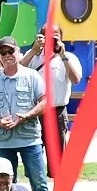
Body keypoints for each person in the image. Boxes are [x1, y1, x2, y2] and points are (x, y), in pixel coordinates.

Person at [0, 36, 50, 191]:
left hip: (29, 139)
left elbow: (45, 101)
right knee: (4, 185)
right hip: (4, 141)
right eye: (2, 52)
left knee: (39, 182)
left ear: (18, 52)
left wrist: (28, 115)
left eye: (10, 51)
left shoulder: (32, 76)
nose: (7, 55)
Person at [21, 30, 81, 163]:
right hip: (33, 113)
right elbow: (16, 71)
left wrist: (63, 55)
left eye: (55, 36)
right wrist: (33, 50)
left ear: (61, 38)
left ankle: (59, 182)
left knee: (58, 158)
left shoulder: (69, 57)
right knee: (32, 156)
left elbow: (76, 79)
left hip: (57, 111)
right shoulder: (32, 56)